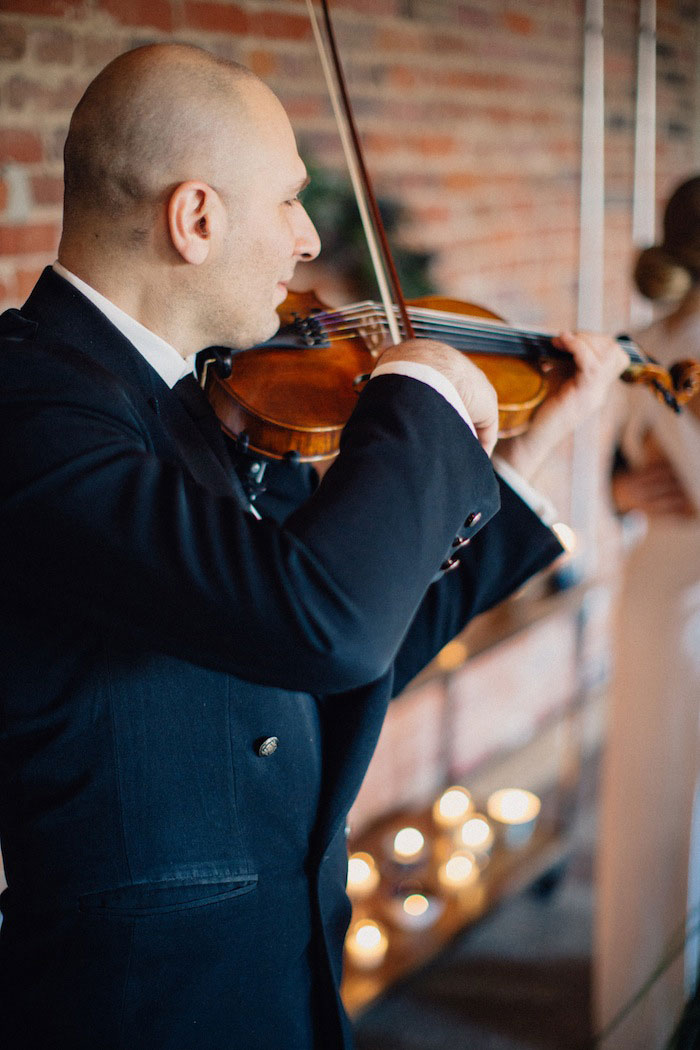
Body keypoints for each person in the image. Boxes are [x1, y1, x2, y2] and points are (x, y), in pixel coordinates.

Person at [0, 43, 626, 1050]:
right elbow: (317, 622)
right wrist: (414, 387)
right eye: (289, 202)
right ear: (195, 218)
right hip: (136, 1010)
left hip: (277, 979)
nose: (303, 242)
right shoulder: (33, 408)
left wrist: (526, 456)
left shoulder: (207, 404)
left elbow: (347, 654)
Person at [595, 176, 700, 1050]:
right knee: (669, 801)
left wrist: (626, 485)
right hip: (682, 600)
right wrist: (629, 484)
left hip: (660, 589)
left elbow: (616, 477)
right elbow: (621, 476)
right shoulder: (670, 355)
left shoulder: (646, 346)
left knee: (654, 802)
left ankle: (646, 1007)